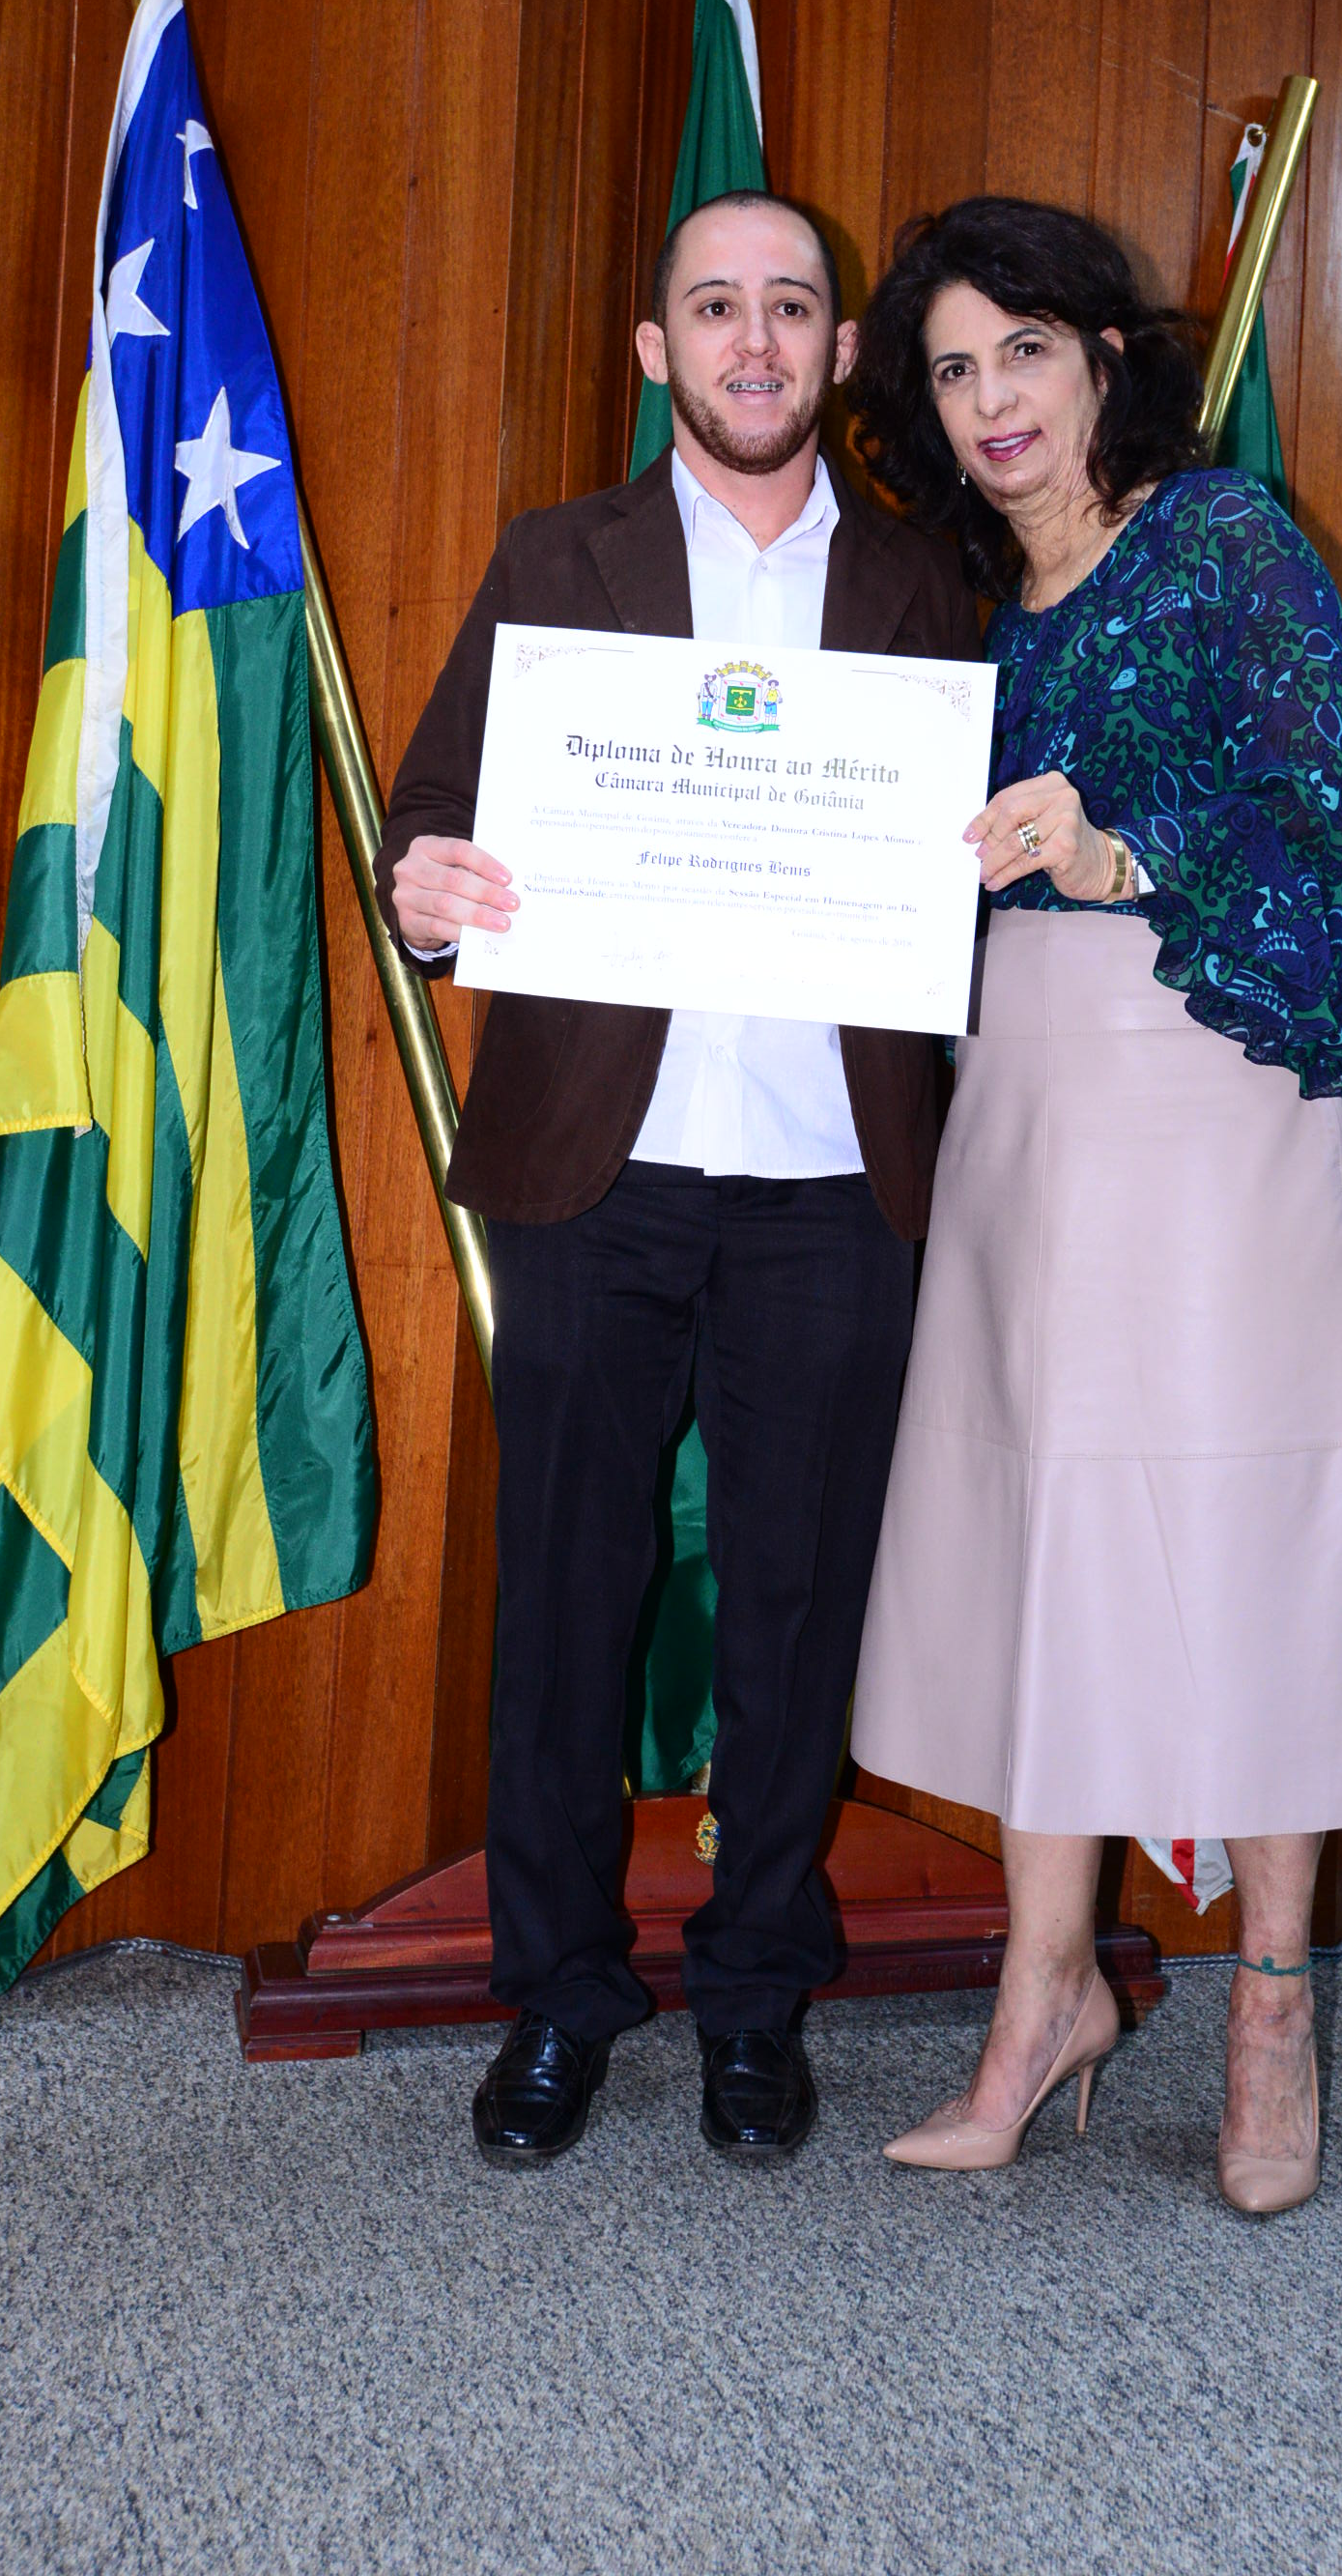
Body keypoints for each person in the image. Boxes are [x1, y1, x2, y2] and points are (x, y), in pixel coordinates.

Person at [376, 192, 981, 2167]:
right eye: (714, 306)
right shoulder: (556, 558)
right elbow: (432, 809)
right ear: (658, 349)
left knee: (795, 1605)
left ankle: (754, 1997)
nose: (752, 340)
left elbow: (978, 877)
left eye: (789, 307)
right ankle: (556, 2001)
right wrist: (426, 885)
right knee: (566, 1598)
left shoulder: (926, 580)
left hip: (833, 1177)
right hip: (593, 1171)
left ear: (838, 349)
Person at [845, 196, 1342, 2211]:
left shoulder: (1223, 538)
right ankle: (1044, 1996)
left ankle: (1270, 2005)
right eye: (948, 367)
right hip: (1017, 1095)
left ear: (1102, 354)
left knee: (1242, 1523)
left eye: (1020, 349)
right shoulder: (949, 603)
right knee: (1040, 1530)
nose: (987, 398)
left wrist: (1116, 850)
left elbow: (1321, 801)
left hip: (1203, 1076)